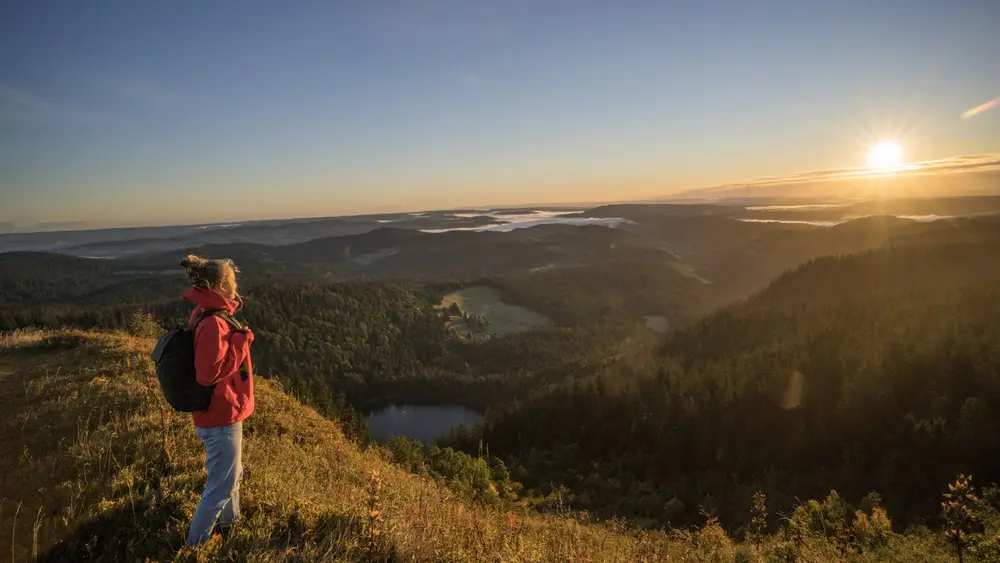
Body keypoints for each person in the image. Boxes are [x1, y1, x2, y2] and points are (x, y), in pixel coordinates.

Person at [180, 255, 255, 547]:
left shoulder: (206, 314)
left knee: (231, 477)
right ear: (221, 285)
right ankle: (194, 548)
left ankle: (229, 527)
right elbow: (207, 375)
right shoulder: (213, 323)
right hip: (220, 416)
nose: (236, 286)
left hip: (222, 412)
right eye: (233, 281)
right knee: (220, 487)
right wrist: (240, 344)